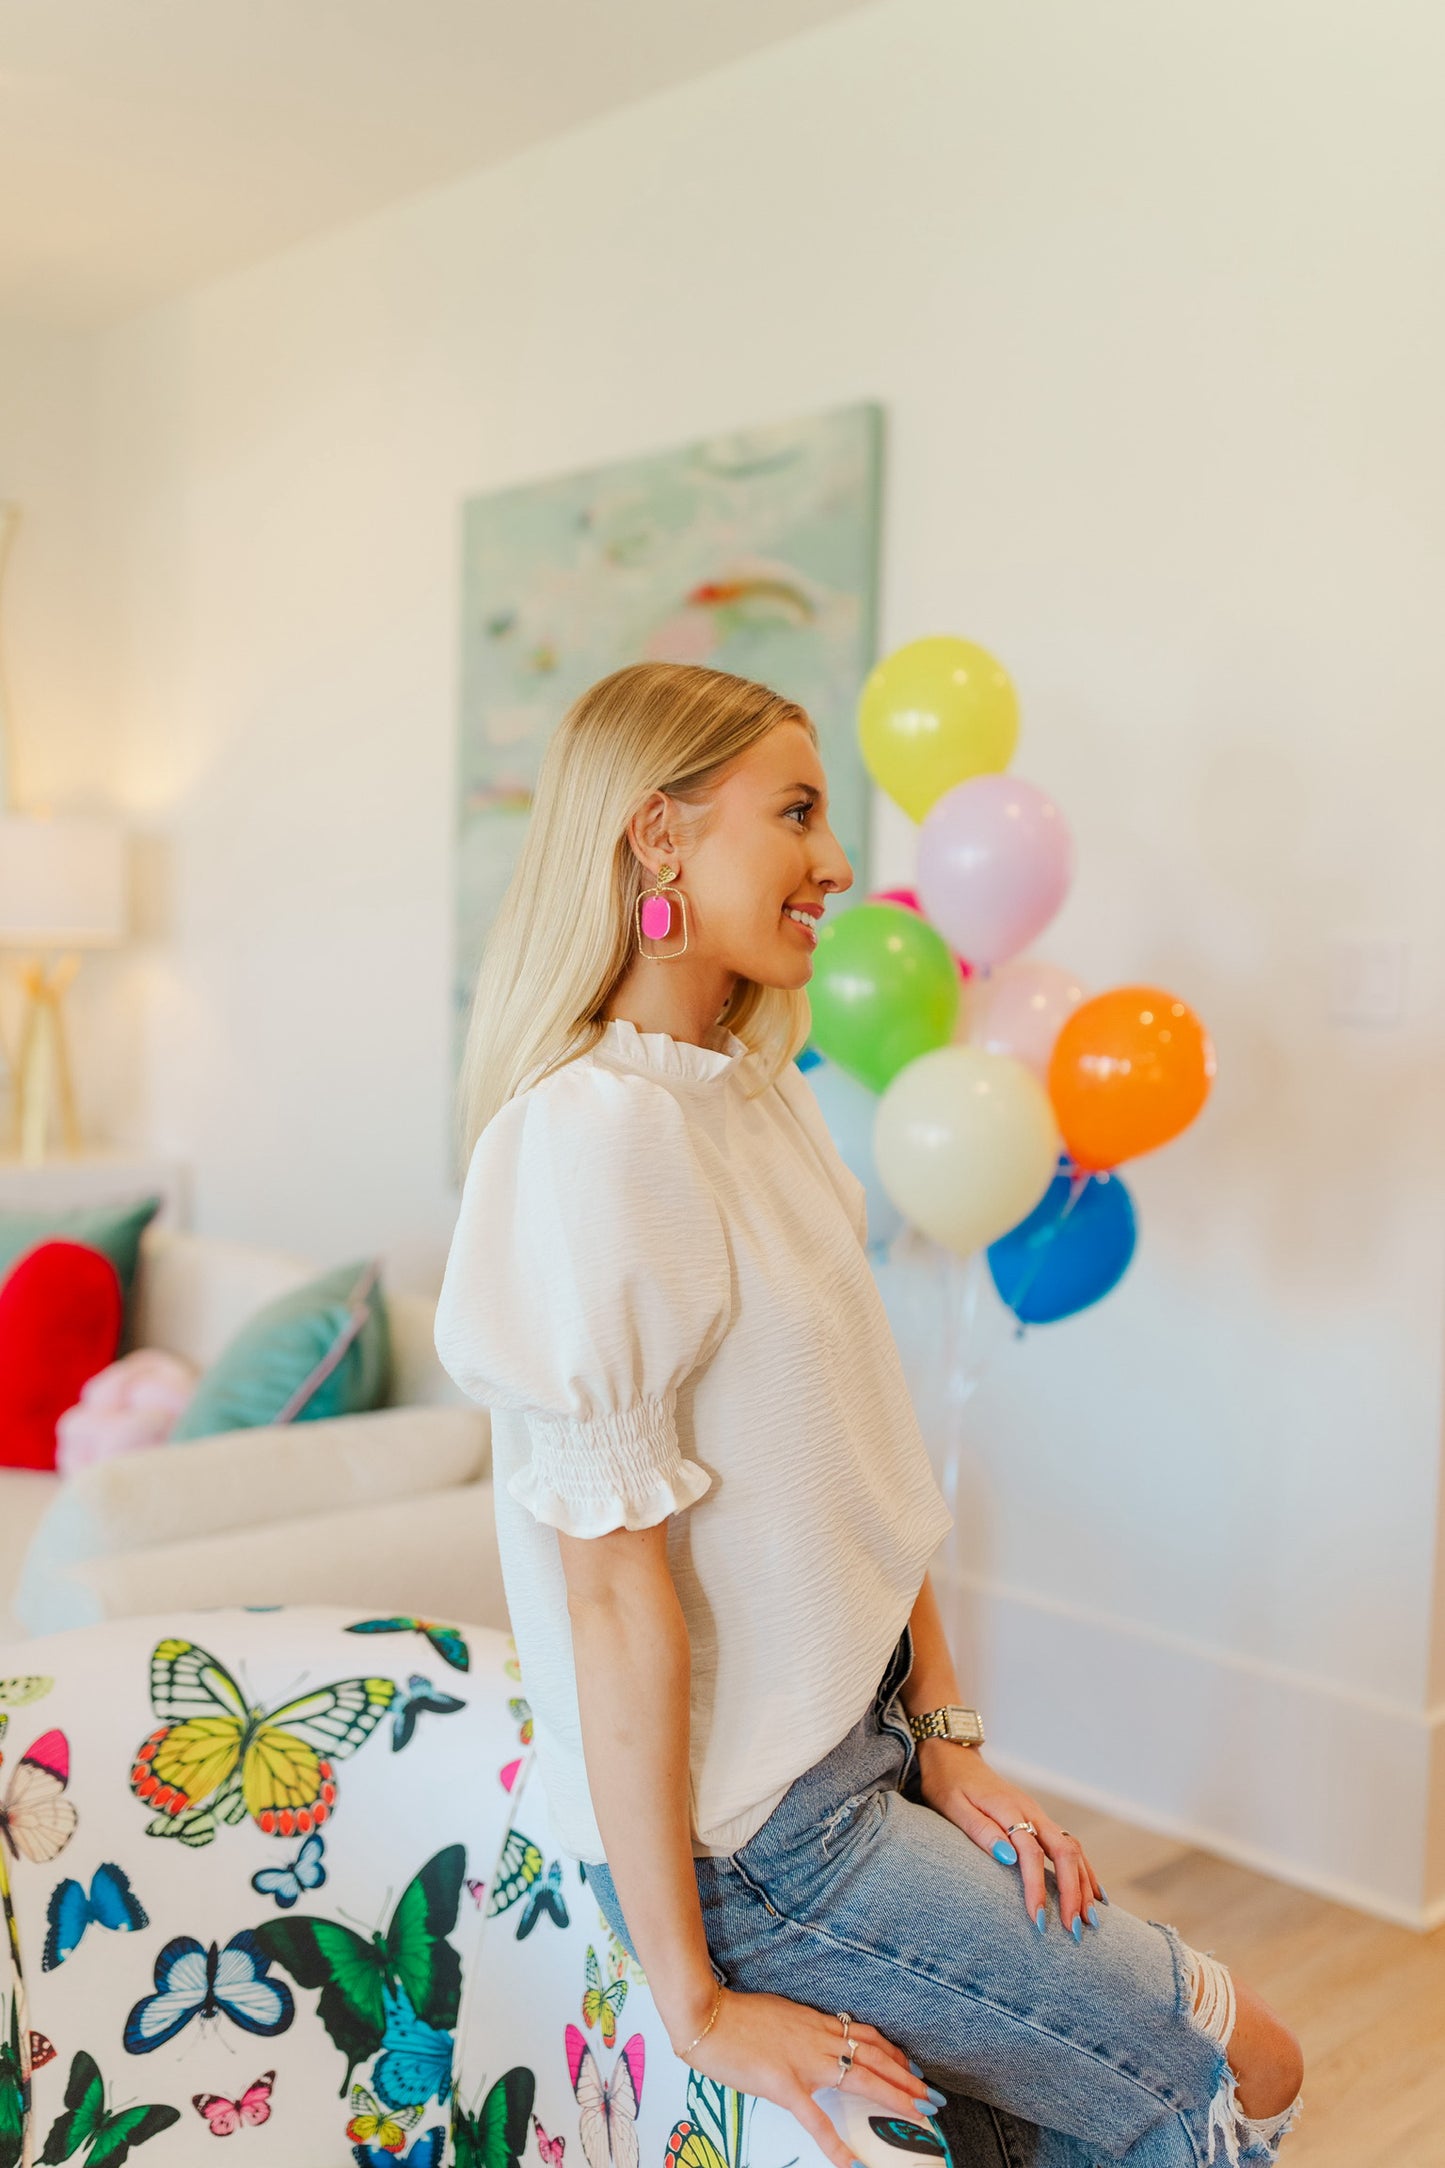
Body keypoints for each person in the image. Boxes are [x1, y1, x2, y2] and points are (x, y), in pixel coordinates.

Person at [434, 661, 1305, 2168]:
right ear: (657, 835)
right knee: (1246, 2068)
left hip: (870, 1758)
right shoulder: (590, 1138)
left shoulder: (757, 1099)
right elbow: (612, 1601)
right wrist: (695, 2005)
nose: (837, 861)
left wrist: (946, 1739)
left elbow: (865, 1473)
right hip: (758, 1844)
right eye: (795, 812)